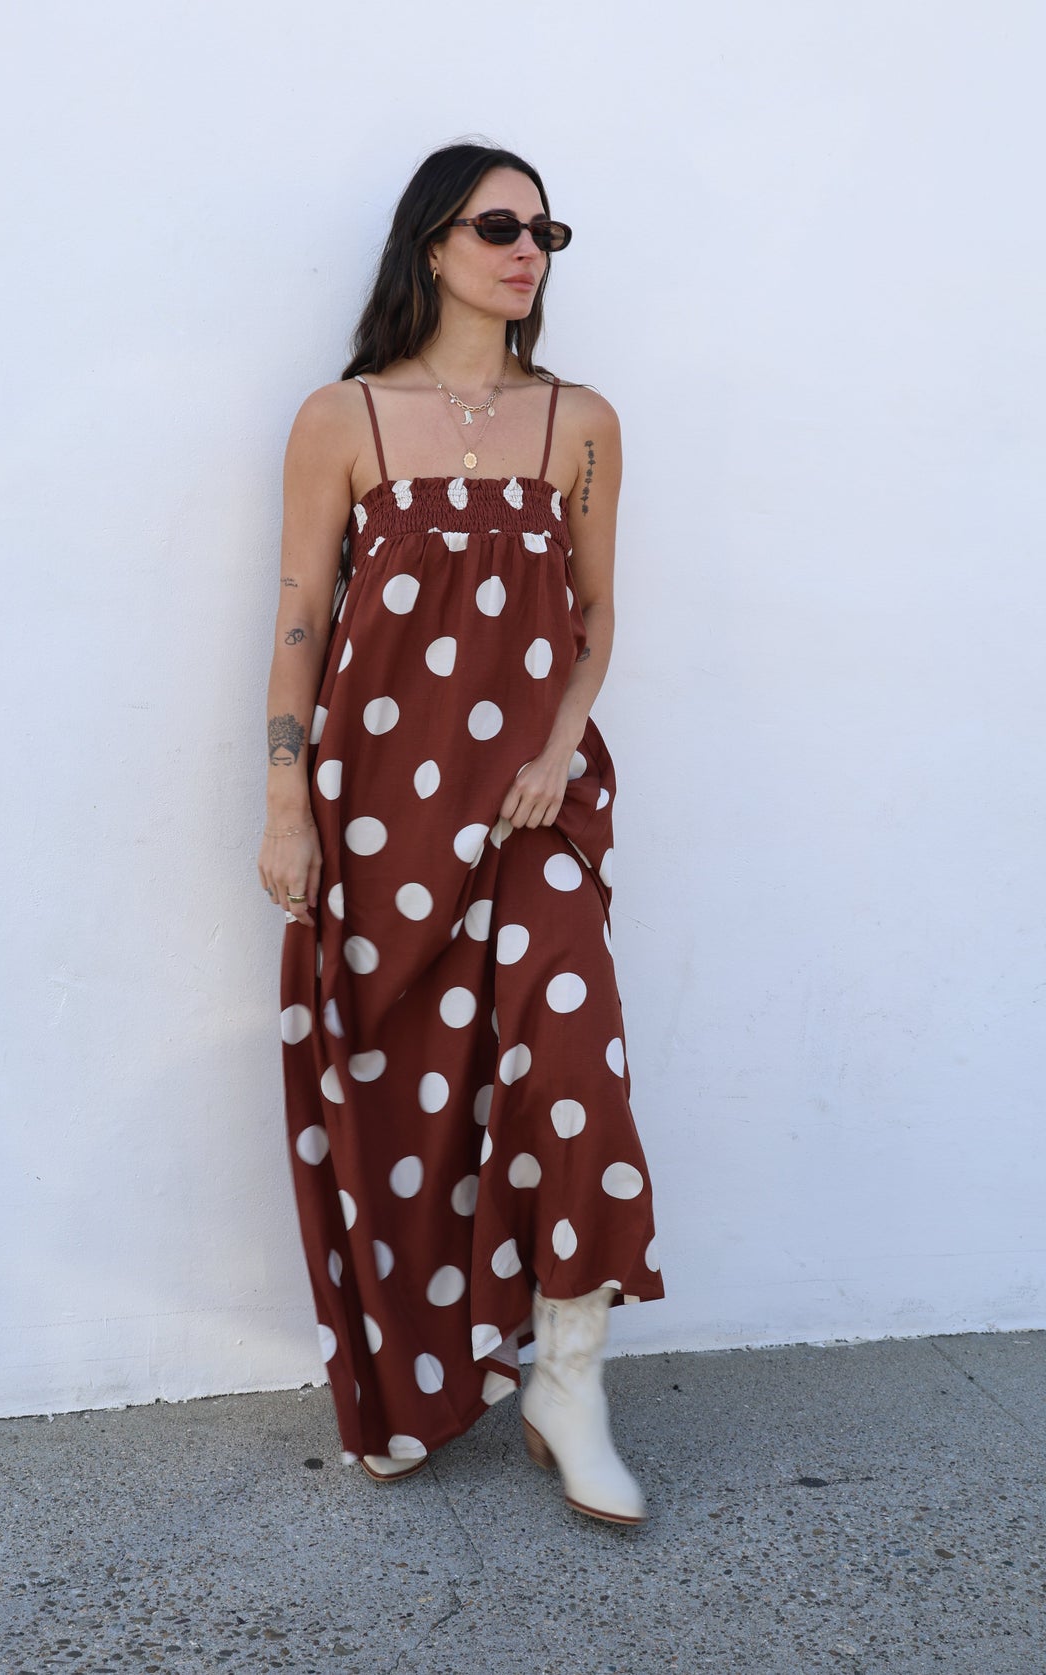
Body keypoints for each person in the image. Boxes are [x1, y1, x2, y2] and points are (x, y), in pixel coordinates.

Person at [259, 142, 665, 1527]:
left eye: (546, 227)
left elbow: (597, 619)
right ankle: (417, 1381)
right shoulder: (346, 418)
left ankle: (570, 1379)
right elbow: (303, 619)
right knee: (396, 1093)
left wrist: (556, 753)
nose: (528, 248)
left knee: (575, 1074)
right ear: (431, 244)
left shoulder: (583, 423)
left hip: (534, 809)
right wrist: (282, 803)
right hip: (377, 812)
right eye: (499, 224)